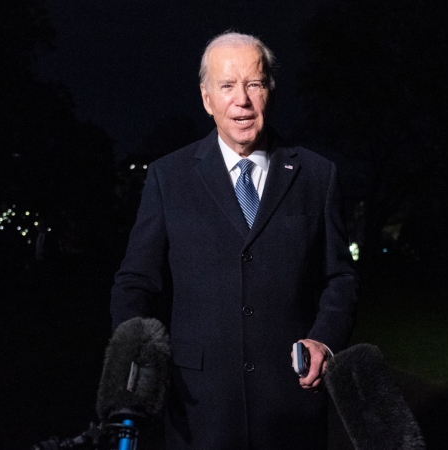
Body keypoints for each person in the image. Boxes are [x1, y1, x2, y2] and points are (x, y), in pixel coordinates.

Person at [111, 31, 358, 449]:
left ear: (270, 92)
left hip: (291, 409)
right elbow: (135, 283)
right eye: (227, 86)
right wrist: (136, 359)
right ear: (207, 99)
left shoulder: (318, 175)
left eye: (254, 84)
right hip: (196, 410)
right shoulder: (168, 177)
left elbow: (340, 279)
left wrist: (325, 340)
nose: (241, 100)